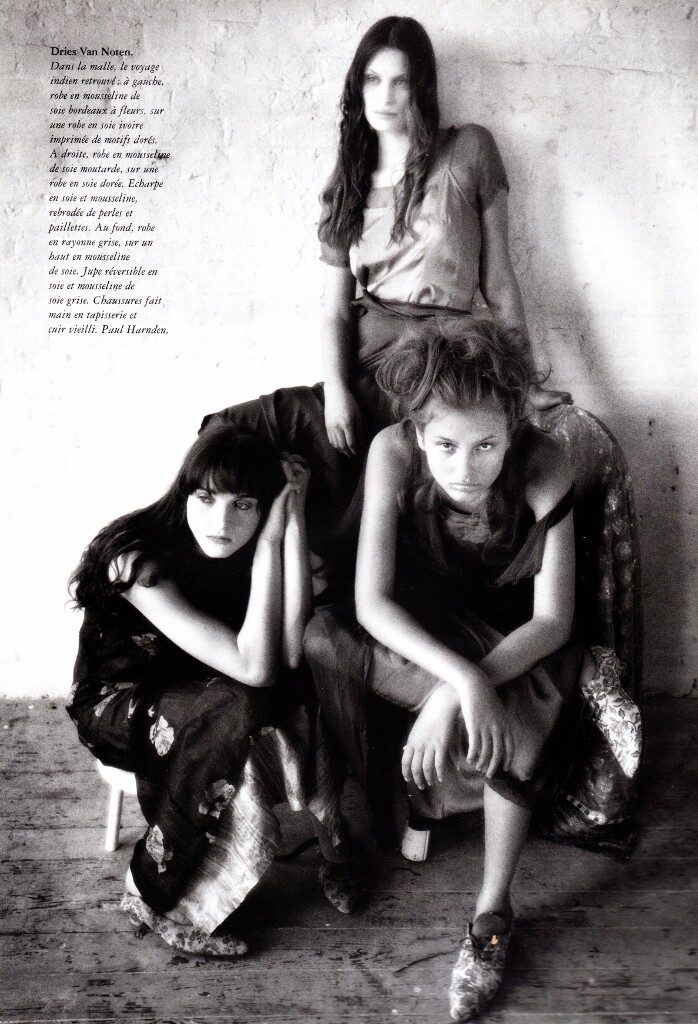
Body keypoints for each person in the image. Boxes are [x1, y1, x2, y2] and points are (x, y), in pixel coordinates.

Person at [304, 318, 592, 1020]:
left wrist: (466, 687)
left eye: (486, 444)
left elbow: (553, 620)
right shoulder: (391, 451)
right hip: (423, 623)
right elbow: (371, 602)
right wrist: (456, 683)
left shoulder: (547, 462)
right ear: (417, 430)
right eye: (446, 445)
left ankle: (492, 914)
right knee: (321, 637)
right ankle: (359, 821)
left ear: (513, 431)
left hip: (511, 635)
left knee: (513, 734)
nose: (465, 467)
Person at [68, 424, 360, 956]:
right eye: (205, 499)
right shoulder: (136, 558)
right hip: (122, 699)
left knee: (303, 679)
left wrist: (291, 520)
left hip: (205, 680)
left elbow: (291, 650)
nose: (221, 523)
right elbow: (254, 668)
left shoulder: (245, 545)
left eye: (243, 505)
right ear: (184, 493)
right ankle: (161, 897)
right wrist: (266, 541)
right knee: (237, 706)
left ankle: (333, 841)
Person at [318, 14, 567, 458]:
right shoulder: (347, 180)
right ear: (357, 85)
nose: (385, 96)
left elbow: (498, 281)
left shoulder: (469, 149)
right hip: (367, 364)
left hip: (444, 360)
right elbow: (336, 309)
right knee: (249, 432)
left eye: (401, 82)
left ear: (422, 88)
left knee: (411, 456)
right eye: (373, 79)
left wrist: (524, 381)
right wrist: (336, 392)